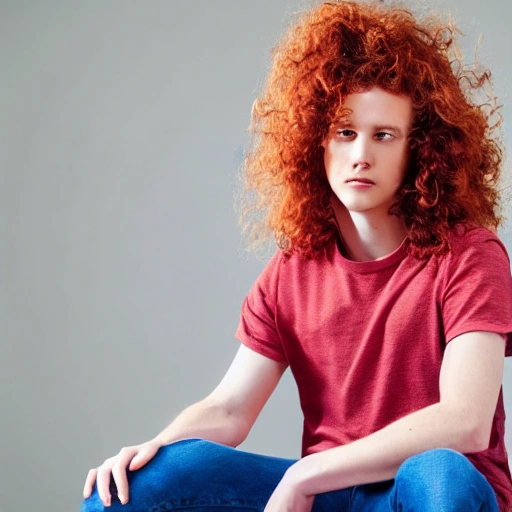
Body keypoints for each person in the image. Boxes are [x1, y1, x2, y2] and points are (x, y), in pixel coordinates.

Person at [80, 1, 512, 511]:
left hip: (426, 494)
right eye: (345, 132)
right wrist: (152, 451)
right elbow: (229, 410)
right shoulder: (293, 271)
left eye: (384, 135)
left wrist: (304, 477)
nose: (360, 155)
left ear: (420, 149)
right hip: (329, 495)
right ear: (316, 142)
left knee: (439, 470)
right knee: (144, 483)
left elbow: (464, 420)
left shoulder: (469, 255)